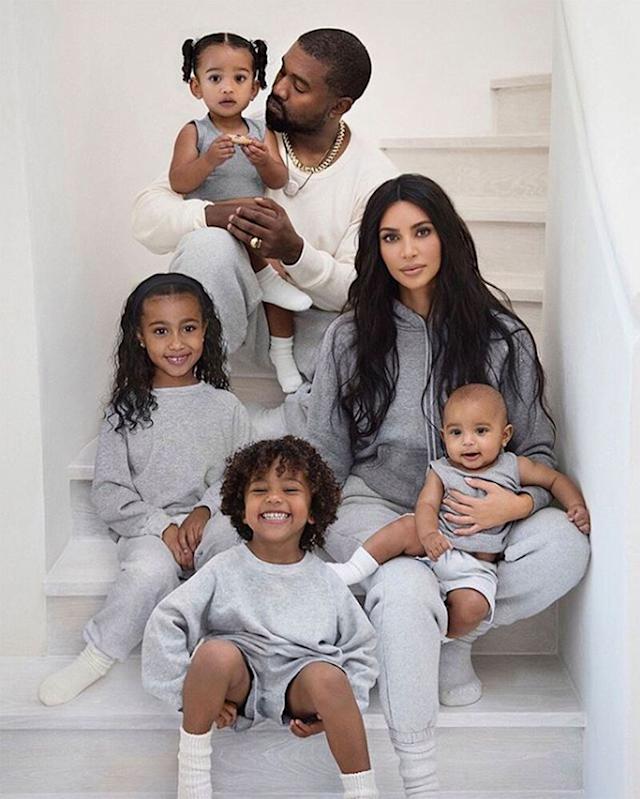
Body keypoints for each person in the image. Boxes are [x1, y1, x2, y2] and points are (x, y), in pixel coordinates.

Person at [305, 174, 591, 795]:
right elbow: (325, 456)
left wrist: (517, 503)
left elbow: (537, 449)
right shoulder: (348, 338)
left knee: (566, 547)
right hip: (378, 504)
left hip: (483, 515)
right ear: (375, 249)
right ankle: (419, 773)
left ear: (447, 237)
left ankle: (460, 628)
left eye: (422, 231)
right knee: (405, 585)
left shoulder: (502, 336)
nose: (408, 251)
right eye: (390, 237)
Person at [132, 28, 397, 430]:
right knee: (208, 245)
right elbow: (147, 217)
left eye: (299, 86)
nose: (279, 89)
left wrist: (295, 253)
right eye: (282, 72)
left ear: (338, 106)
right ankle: (196, 398)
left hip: (307, 327)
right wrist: (212, 214)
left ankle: (264, 426)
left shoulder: (374, 177)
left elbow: (357, 289)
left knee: (367, 340)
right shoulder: (236, 132)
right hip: (230, 313)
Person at [38, 273, 252, 707]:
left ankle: (225, 656)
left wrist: (204, 512)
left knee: (235, 554)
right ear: (139, 337)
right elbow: (109, 491)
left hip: (211, 520)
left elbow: (241, 476)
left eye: (188, 328)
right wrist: (163, 528)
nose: (176, 343)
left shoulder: (225, 407)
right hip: (147, 529)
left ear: (205, 330)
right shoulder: (125, 411)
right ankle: (97, 655)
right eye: (160, 331)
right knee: (149, 573)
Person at [142, 436, 379, 799]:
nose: (274, 498)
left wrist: (340, 709)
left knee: (330, 678)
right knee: (213, 654)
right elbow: (167, 620)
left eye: (290, 489)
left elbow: (361, 647)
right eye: (259, 489)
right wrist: (188, 696)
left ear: (313, 509)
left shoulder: (326, 579)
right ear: (242, 508)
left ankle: (364, 792)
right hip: (239, 680)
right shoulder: (223, 567)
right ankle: (192, 783)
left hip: (300, 683)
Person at [329, 383, 591, 639]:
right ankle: (354, 569)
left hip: (476, 566)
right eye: (456, 433)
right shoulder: (442, 470)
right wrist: (429, 534)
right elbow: (427, 505)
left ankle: (442, 638)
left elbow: (554, 480)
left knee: (473, 608)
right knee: (406, 527)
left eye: (481, 431)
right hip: (439, 545)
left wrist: (575, 505)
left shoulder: (514, 466)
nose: (468, 441)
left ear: (505, 435)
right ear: (444, 437)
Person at [171, 32, 313, 394]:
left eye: (239, 78)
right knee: (269, 275)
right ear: (196, 86)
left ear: (255, 88)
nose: (227, 88)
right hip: (216, 228)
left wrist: (263, 161)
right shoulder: (195, 133)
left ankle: (283, 353)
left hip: (254, 230)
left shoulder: (261, 132)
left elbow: (278, 178)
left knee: (281, 277)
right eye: (215, 78)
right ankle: (264, 282)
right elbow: (179, 181)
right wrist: (207, 160)